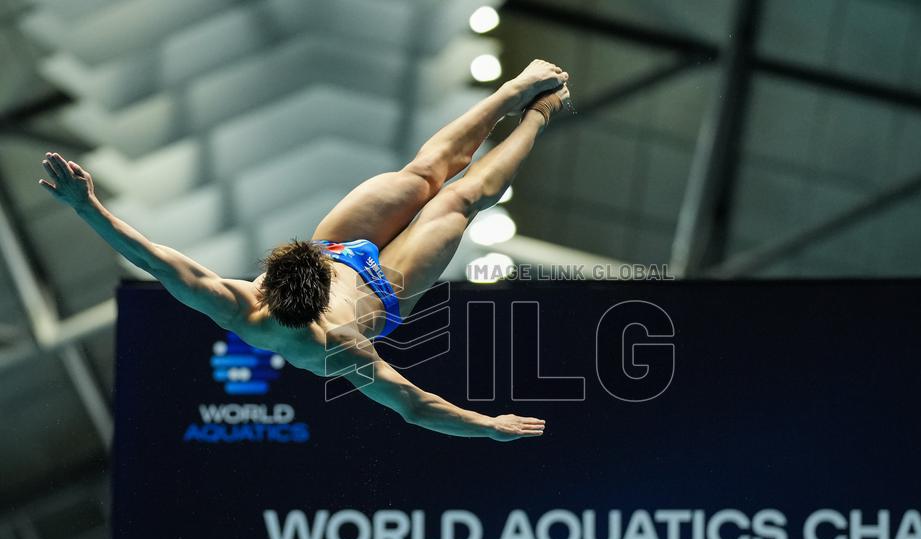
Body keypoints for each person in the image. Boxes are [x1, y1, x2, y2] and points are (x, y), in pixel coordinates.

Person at [39, 60, 572, 441]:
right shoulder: (339, 348)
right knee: (458, 199)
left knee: (423, 174)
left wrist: (88, 207)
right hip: (386, 289)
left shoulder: (238, 303)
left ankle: (513, 90)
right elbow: (414, 406)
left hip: (336, 243)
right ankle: (538, 115)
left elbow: (152, 259)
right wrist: (488, 425)